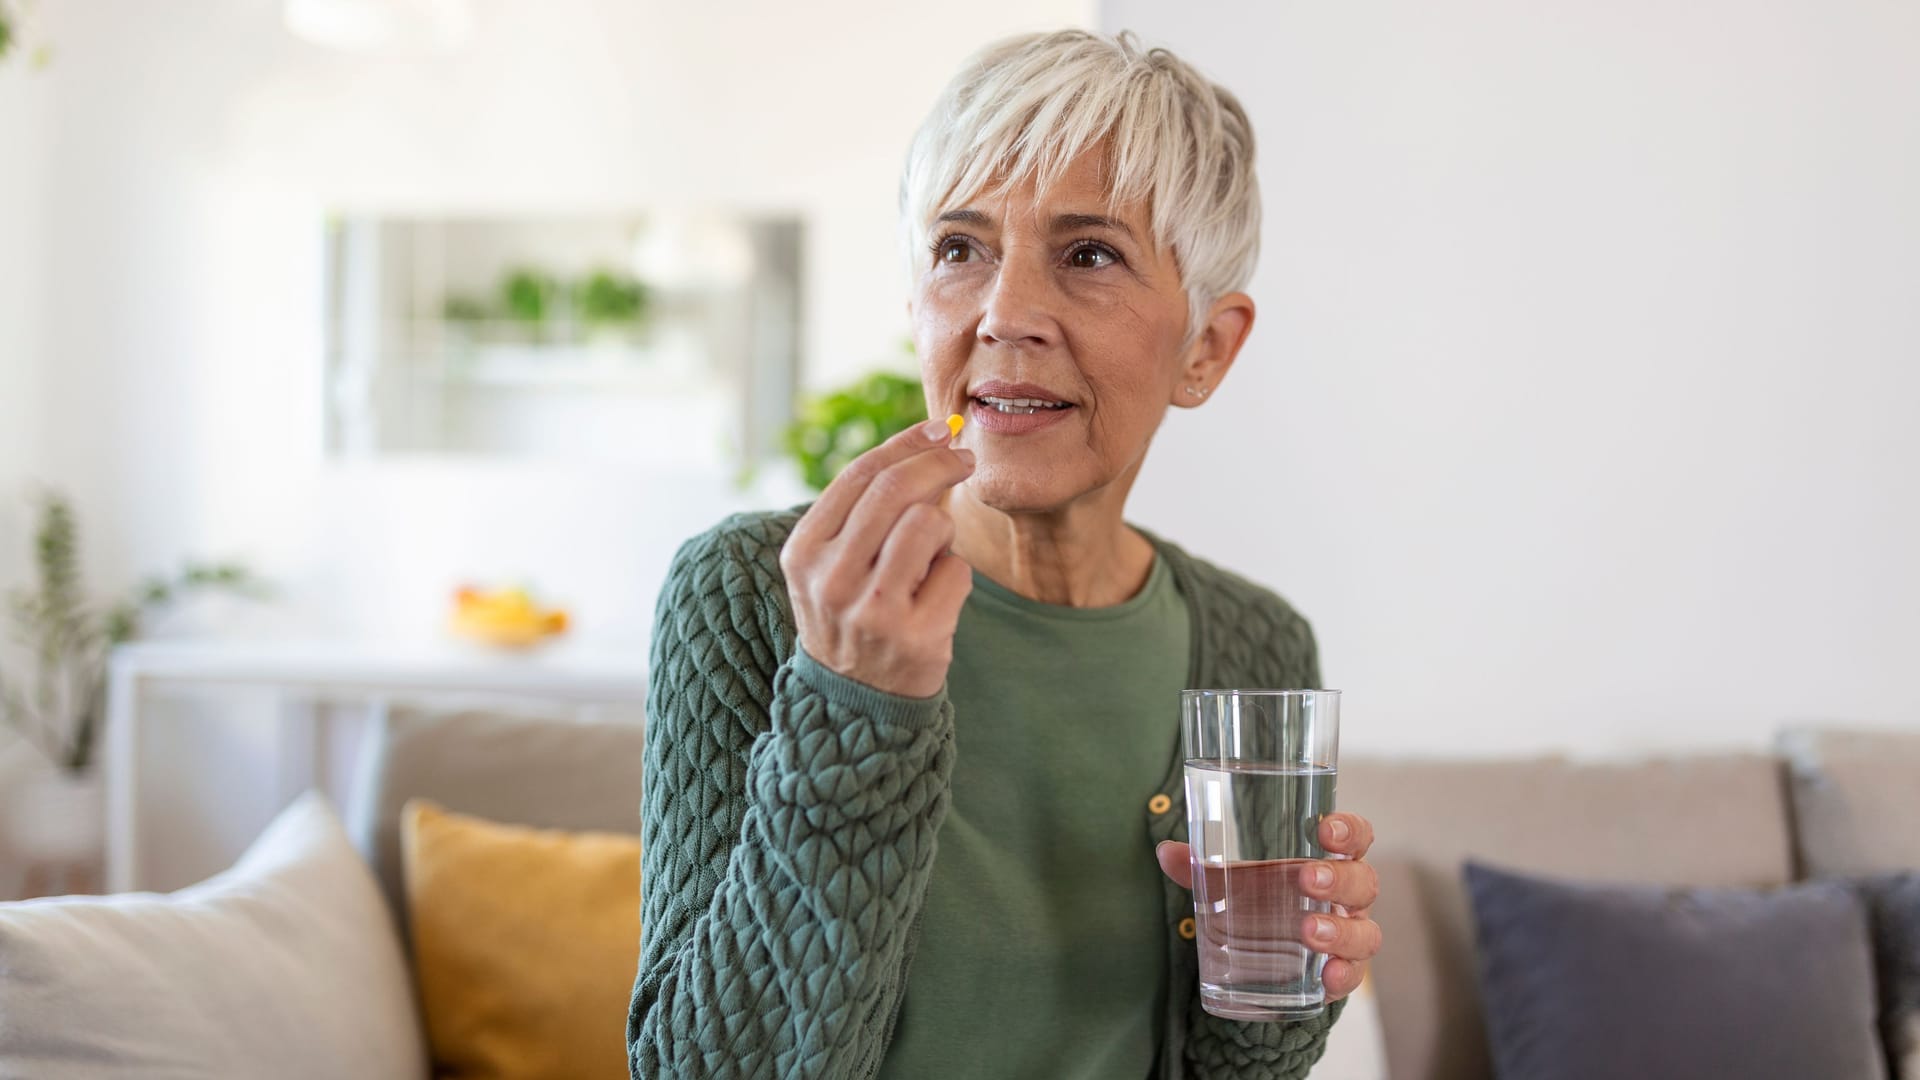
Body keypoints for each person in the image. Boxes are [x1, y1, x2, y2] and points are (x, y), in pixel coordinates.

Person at [628, 28, 1383, 1080]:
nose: (1004, 314)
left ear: (1206, 347)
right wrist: (853, 705)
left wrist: (1300, 975)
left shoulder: (1255, 642)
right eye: (959, 249)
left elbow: (1238, 1070)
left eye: (1089, 255)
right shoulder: (756, 592)